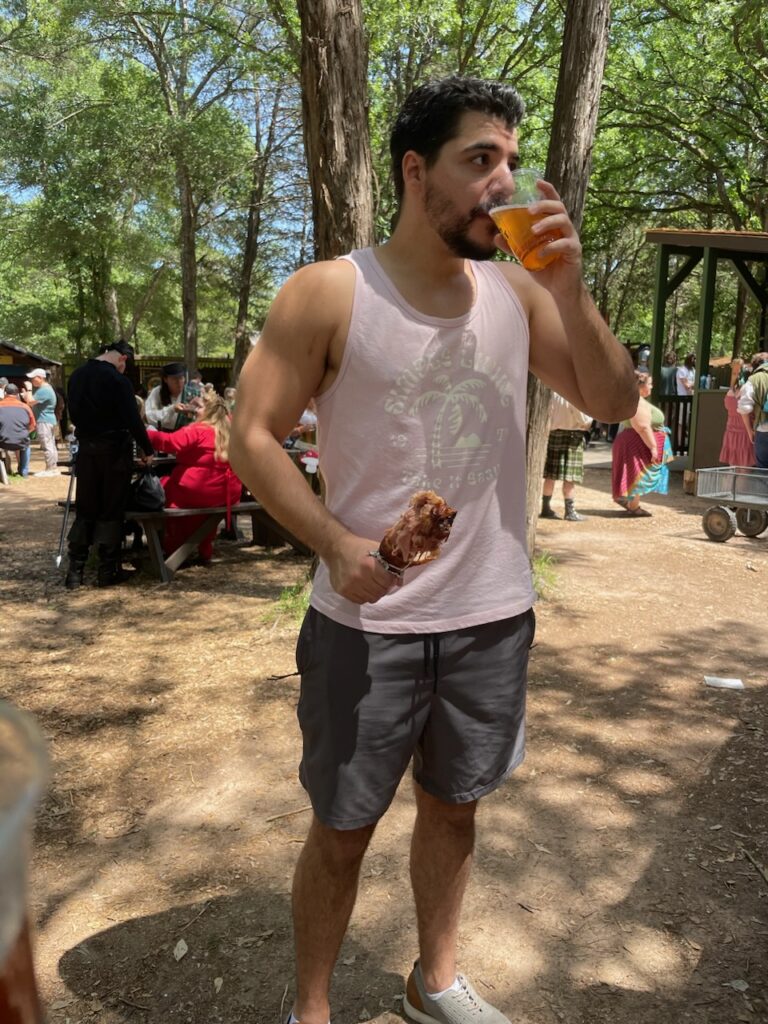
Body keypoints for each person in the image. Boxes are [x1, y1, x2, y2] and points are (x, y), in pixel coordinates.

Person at [229, 76, 637, 1024]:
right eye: (479, 160)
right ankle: (314, 1008)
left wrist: (571, 290)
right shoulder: (329, 292)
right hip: (367, 623)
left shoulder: (519, 295)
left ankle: (435, 982)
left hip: (492, 616)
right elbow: (250, 433)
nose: (504, 181)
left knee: (457, 809)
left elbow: (614, 403)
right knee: (342, 828)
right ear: (417, 172)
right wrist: (332, 542)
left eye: (510, 159)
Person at [65, 340, 154, 588]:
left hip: (86, 452)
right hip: (114, 454)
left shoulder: (77, 375)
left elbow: (72, 414)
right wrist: (148, 449)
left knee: (86, 509)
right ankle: (107, 572)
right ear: (122, 359)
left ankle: (75, 573)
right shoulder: (118, 381)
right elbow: (132, 419)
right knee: (110, 510)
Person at [146, 391, 242, 564]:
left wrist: (146, 433)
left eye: (198, 407)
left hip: (198, 491)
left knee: (163, 489)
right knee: (204, 513)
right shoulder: (229, 429)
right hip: (228, 492)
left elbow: (169, 442)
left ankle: (173, 548)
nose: (194, 411)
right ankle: (204, 547)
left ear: (208, 411)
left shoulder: (198, 430)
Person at [611, 370, 673, 516]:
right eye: (650, 384)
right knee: (638, 473)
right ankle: (633, 506)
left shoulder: (635, 400)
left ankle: (632, 504)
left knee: (637, 473)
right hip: (635, 443)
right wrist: (653, 447)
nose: (651, 387)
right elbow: (643, 427)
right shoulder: (637, 402)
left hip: (635, 442)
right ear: (641, 385)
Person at [540, 392, 592, 521]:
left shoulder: (552, 393)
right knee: (570, 477)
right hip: (572, 437)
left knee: (550, 475)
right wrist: (589, 422)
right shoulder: (572, 395)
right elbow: (583, 420)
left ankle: (545, 508)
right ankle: (570, 512)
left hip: (554, 434)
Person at [719, 358, 755, 467]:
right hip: (745, 432)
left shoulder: (730, 391)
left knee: (732, 469)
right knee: (744, 470)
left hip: (731, 432)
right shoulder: (748, 391)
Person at [144, 362, 199, 430]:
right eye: (174, 379)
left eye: (181, 378)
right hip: (163, 435)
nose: (179, 382)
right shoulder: (157, 392)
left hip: (186, 435)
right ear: (165, 379)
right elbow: (148, 416)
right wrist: (172, 409)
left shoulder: (193, 393)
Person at [737, 352, 768, 469]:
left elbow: (744, 408)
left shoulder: (754, 379)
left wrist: (750, 431)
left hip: (764, 430)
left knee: (764, 472)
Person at [26, 368, 59, 475]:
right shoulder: (46, 388)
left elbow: (30, 402)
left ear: (40, 378)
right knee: (51, 445)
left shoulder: (44, 390)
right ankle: (53, 467)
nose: (31, 380)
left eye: (33, 378)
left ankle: (50, 469)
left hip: (44, 420)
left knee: (47, 445)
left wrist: (29, 390)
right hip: (48, 420)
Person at [0, 383, 36, 476]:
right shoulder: (25, 407)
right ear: (17, 394)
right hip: (21, 440)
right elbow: (33, 425)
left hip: (2, 441)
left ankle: (4, 471)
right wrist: (23, 433)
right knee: (26, 446)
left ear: (5, 393)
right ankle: (24, 471)